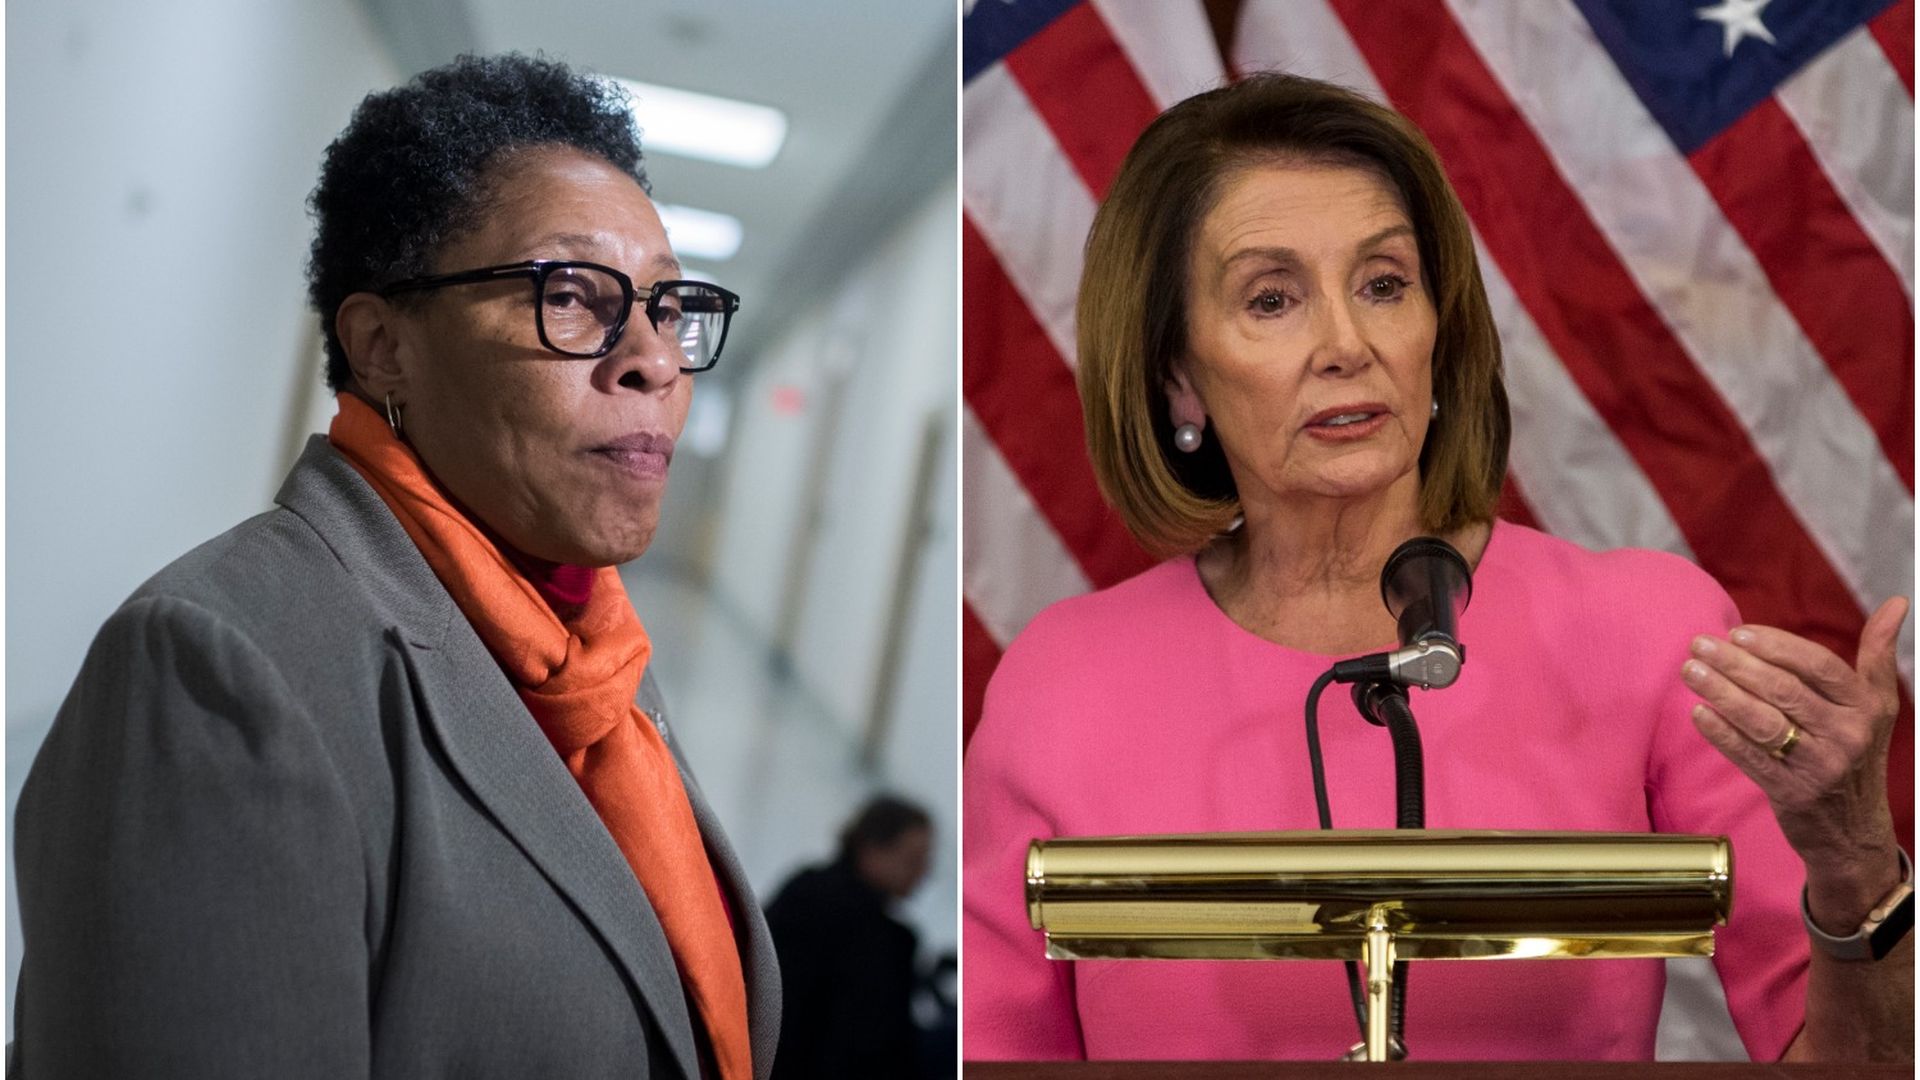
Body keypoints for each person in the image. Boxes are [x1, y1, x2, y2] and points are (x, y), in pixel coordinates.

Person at [963, 73, 1912, 1063]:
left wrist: (1854, 866)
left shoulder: (1643, 630)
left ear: (1436, 329)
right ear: (1178, 376)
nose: (1347, 343)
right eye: (1273, 298)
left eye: (1384, 284)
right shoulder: (1059, 685)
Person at [11, 54, 778, 1079]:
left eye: (667, 307)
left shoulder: (591, 651)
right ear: (381, 348)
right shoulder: (216, 671)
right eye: (573, 296)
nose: (650, 357)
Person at [765, 795, 934, 1078]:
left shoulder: (803, 886)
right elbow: (873, 1047)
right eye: (912, 860)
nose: (922, 873)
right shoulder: (878, 936)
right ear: (871, 850)